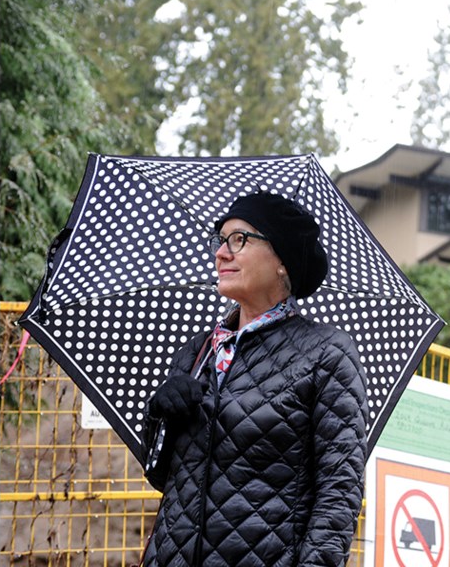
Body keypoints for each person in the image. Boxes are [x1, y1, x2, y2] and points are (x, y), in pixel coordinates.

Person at [141, 191, 368, 567]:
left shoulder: (326, 352)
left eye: (239, 239)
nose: (221, 253)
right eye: (220, 240)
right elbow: (159, 474)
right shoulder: (197, 352)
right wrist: (159, 413)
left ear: (282, 260)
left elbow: (338, 492)